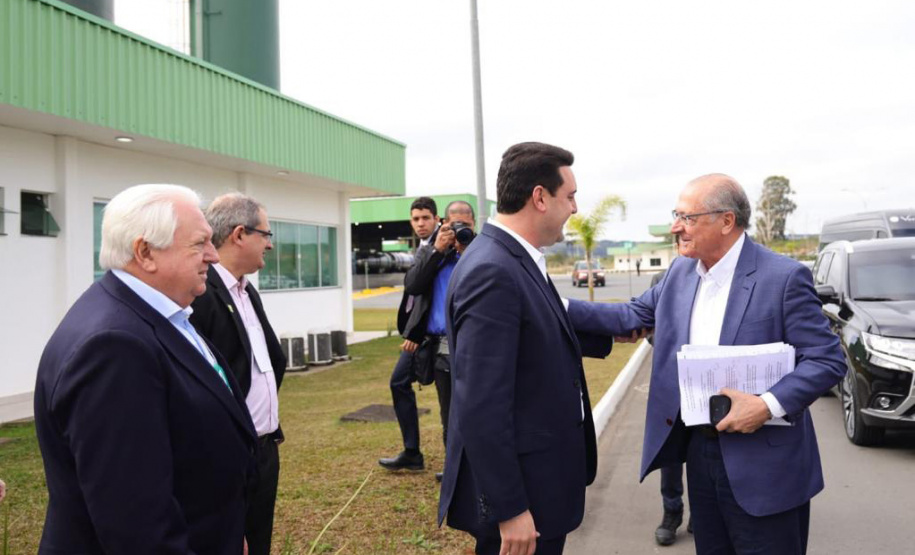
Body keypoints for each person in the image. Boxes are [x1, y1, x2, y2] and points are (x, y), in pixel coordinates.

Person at [568, 174, 846, 555]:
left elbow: (827, 360)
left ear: (726, 221)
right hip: (700, 452)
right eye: (675, 215)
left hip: (767, 463)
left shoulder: (782, 278)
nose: (675, 227)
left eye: (686, 217)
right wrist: (555, 303)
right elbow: (630, 316)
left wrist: (765, 405)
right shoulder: (680, 273)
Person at [34, 184, 256, 554]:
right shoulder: (114, 347)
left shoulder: (161, 314)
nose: (214, 256)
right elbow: (138, 525)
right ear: (145, 252)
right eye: (199, 243)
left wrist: (228, 533)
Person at [438, 142, 613, 555]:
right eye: (569, 196)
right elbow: (481, 405)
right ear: (539, 197)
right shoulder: (492, 270)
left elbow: (536, 335)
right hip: (525, 502)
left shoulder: (514, 259)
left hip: (542, 486)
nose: (574, 208)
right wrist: (511, 509)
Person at [189, 193, 287, 555]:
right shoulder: (201, 295)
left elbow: (265, 363)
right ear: (239, 234)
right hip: (228, 456)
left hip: (262, 450)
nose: (270, 244)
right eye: (266, 234)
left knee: (257, 542)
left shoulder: (246, 291)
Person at [378, 197, 441, 472]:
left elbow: (425, 290)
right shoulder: (425, 246)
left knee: (450, 398)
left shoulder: (444, 245)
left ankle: (458, 462)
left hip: (434, 334)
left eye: (425, 218)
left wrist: (414, 332)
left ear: (437, 219)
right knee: (398, 382)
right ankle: (412, 452)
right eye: (415, 219)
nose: (420, 223)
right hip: (419, 334)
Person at [647, 268, 689, 546]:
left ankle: (703, 511)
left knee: (703, 451)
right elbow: (651, 327)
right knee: (671, 456)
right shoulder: (662, 279)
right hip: (672, 384)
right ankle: (671, 512)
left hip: (711, 387)